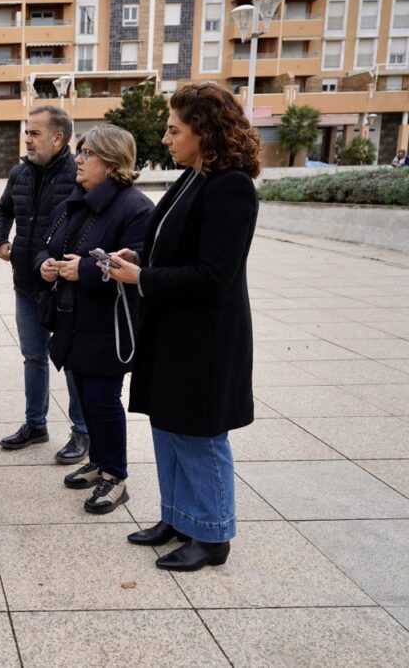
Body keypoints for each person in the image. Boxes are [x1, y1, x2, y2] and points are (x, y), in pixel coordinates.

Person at [108, 82, 260, 571]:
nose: (167, 139)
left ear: (204, 131)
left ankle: (213, 536)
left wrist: (143, 277)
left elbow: (216, 273)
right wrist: (140, 257)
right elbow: (177, 245)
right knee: (169, 427)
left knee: (199, 435)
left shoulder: (231, 185)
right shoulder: (192, 177)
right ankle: (178, 518)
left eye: (175, 130)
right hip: (173, 330)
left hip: (205, 340)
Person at [39, 125, 152, 514]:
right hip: (73, 317)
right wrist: (47, 265)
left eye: (87, 153)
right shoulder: (78, 199)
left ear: (112, 160)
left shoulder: (135, 207)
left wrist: (83, 270)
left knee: (103, 400)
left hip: (108, 322)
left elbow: (136, 262)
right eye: (79, 152)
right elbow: (49, 245)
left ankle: (115, 477)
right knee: (86, 398)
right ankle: (100, 462)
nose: (79, 160)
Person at [0, 105, 90, 464]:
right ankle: (36, 425)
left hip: (64, 286)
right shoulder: (19, 173)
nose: (27, 139)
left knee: (72, 360)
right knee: (33, 357)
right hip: (25, 284)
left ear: (58, 137)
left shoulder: (79, 173)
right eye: (27, 132)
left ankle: (82, 431)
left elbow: (89, 221)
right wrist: (1, 241)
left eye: (34, 132)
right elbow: (2, 209)